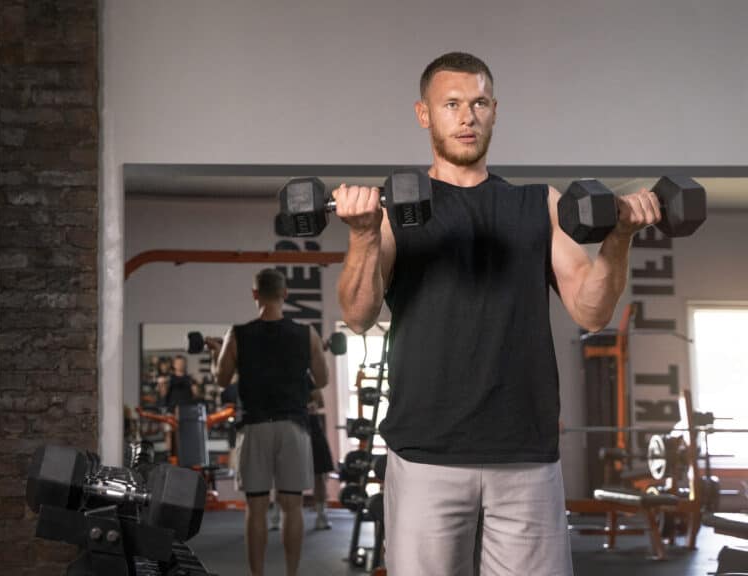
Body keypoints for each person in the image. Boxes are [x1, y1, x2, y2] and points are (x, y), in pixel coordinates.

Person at [334, 52, 661, 575]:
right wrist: (363, 233)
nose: (468, 116)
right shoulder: (397, 211)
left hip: (525, 456)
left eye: (479, 102)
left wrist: (619, 238)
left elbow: (592, 312)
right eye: (452, 104)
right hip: (425, 455)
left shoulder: (539, 204)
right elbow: (356, 313)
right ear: (425, 114)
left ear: (495, 110)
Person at [209, 268, 329, 576]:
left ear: (254, 295)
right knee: (292, 507)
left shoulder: (237, 334)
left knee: (257, 507)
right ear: (285, 294)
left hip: (255, 427)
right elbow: (323, 380)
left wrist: (216, 356)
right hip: (293, 427)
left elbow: (221, 380)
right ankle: (291, 574)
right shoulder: (307, 334)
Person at [307, 388, 335, 530]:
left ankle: (321, 516)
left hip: (311, 427)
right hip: (294, 425)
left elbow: (320, 403)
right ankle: (277, 518)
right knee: (284, 476)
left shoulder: (307, 379)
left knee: (319, 475)